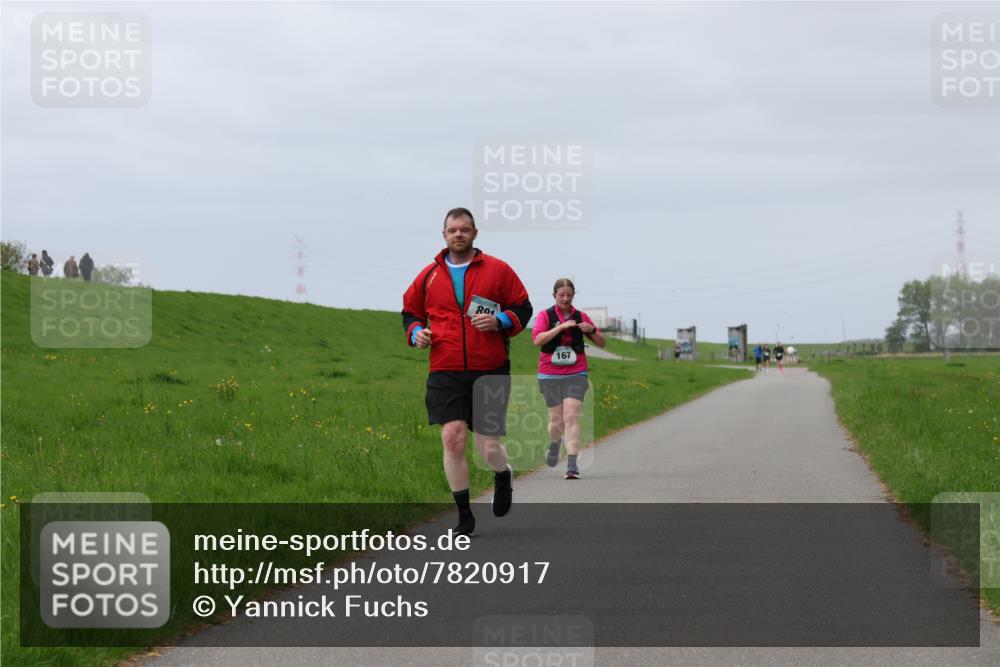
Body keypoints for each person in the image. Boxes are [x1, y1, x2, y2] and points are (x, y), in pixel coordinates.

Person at [402, 207, 532, 536]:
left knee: (487, 446)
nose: (458, 234)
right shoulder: (429, 275)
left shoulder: (498, 270)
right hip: (445, 369)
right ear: (444, 235)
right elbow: (410, 312)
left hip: (489, 368)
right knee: (452, 437)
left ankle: (503, 474)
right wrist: (417, 333)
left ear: (475, 233)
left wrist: (500, 321)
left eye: (464, 229)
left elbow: (523, 306)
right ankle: (464, 516)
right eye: (452, 230)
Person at [532, 279, 604, 480]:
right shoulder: (545, 315)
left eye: (569, 295)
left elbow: (602, 342)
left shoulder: (581, 316)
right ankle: (555, 445)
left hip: (576, 372)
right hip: (549, 374)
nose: (565, 298)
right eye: (561, 294)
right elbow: (537, 340)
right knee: (556, 421)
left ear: (573, 296)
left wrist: (590, 330)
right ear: (554, 295)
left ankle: (572, 466)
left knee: (571, 416)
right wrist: (561, 327)